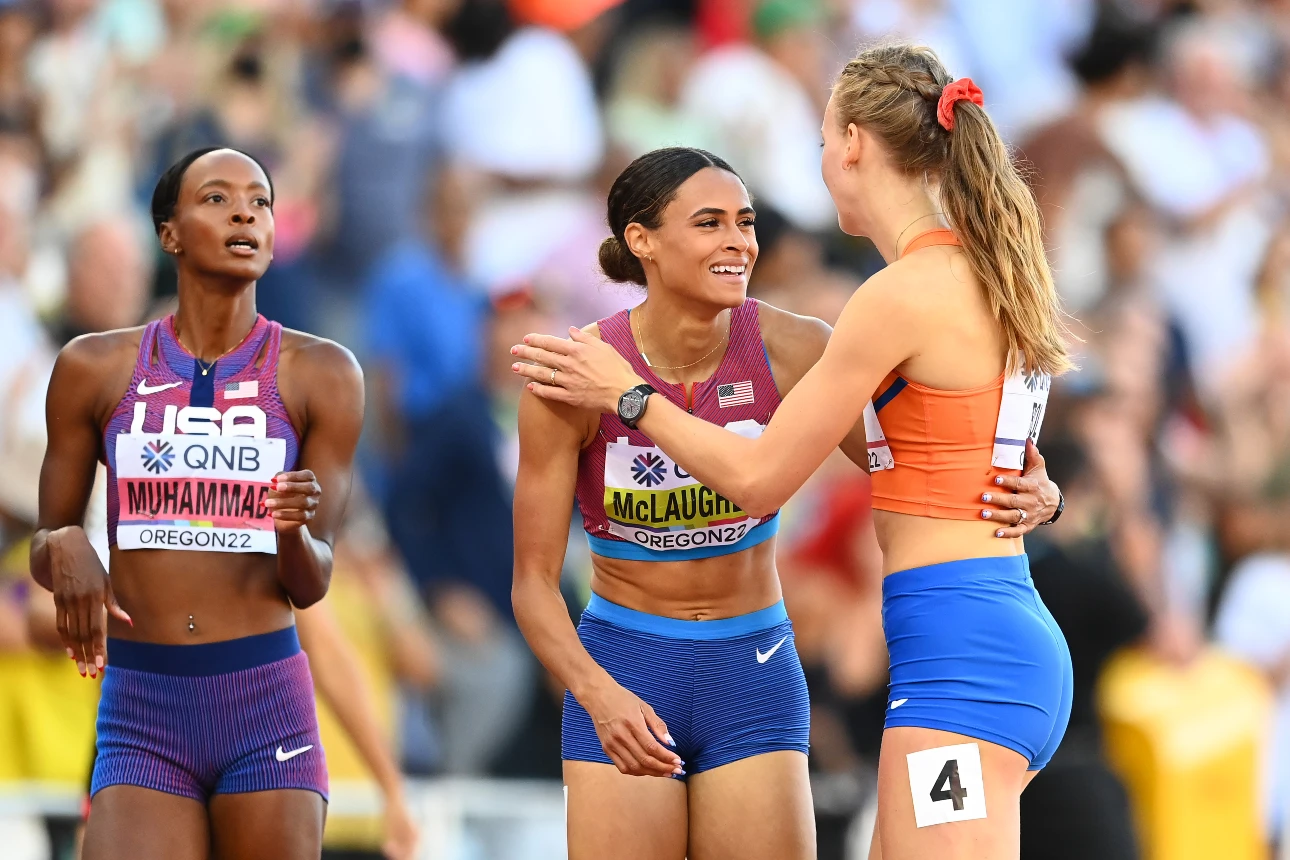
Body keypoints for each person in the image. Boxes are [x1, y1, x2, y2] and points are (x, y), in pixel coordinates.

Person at [512, 44, 1073, 860]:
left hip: (960, 657)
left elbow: (757, 477)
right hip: (983, 636)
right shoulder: (987, 268)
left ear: (852, 144)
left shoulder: (892, 296)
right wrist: (1044, 492)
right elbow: (967, 439)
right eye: (711, 222)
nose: (742, 237)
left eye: (818, 142)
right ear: (641, 242)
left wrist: (629, 400)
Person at [29, 147, 365, 860]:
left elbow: (312, 583)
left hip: (265, 706)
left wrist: (291, 533)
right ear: (169, 233)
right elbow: (44, 541)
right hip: (143, 707)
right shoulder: (94, 366)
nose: (245, 211)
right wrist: (64, 547)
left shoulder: (323, 374)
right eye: (216, 198)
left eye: (261, 201)